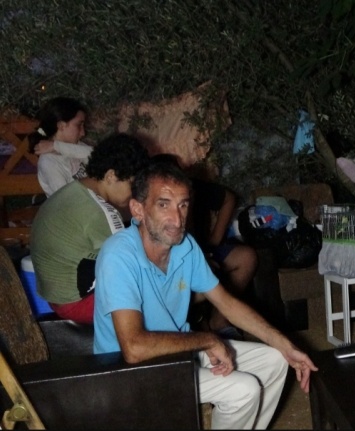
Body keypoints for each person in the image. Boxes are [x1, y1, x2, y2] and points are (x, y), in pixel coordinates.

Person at [92, 159, 317, 429]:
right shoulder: (118, 255)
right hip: (128, 373)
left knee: (275, 361)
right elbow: (133, 348)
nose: (177, 219)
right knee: (243, 390)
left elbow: (226, 303)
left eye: (183, 205)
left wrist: (285, 345)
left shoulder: (185, 246)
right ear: (138, 209)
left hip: (178, 355)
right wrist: (207, 340)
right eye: (163, 205)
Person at [30, 133, 149, 324]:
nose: (135, 193)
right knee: (155, 291)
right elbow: (132, 263)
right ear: (111, 176)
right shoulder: (101, 213)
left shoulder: (75, 189)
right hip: (76, 303)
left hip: (54, 294)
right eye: (132, 185)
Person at [149, 153, 258, 334]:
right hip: (175, 265)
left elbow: (228, 199)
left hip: (202, 251)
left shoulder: (191, 187)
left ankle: (220, 321)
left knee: (246, 258)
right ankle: (198, 327)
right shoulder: (149, 208)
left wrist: (214, 240)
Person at [28, 97, 94, 197]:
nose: (83, 133)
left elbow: (97, 155)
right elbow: (65, 199)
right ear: (61, 126)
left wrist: (56, 146)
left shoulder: (75, 146)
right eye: (79, 125)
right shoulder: (49, 162)